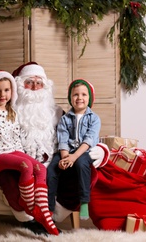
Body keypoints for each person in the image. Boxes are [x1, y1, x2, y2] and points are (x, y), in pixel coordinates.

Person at [0, 63, 109, 233]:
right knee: (9, 173)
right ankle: (30, 219)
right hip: (22, 164)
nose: (34, 87)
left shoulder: (57, 113)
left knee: (83, 170)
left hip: (53, 161)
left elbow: (78, 136)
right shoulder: (8, 112)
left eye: (39, 83)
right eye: (29, 83)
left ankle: (52, 215)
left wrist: (101, 149)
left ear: (45, 87)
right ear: (20, 86)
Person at [0, 70, 59, 236]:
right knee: (25, 167)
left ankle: (43, 212)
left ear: (12, 92)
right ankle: (31, 207)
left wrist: (21, 153)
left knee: (40, 168)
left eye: (6, 90)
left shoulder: (12, 112)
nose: (2, 95)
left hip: (12, 150)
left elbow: (15, 138)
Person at [47, 79, 100, 221]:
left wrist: (74, 157)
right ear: (71, 98)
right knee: (51, 169)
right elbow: (62, 139)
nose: (80, 98)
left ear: (89, 98)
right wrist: (65, 157)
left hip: (83, 152)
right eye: (76, 95)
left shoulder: (94, 119)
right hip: (67, 152)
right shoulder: (65, 118)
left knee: (82, 164)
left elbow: (89, 140)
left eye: (84, 94)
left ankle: (84, 202)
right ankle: (49, 207)